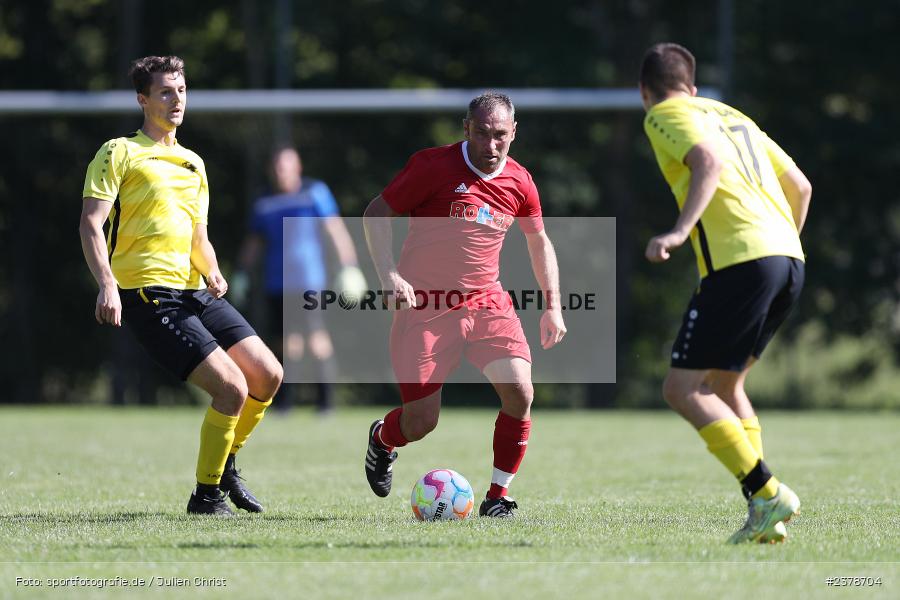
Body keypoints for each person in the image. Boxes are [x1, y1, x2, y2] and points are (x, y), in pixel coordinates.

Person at [79, 55, 283, 516]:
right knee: (231, 388)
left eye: (182, 91)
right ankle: (206, 496)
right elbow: (91, 225)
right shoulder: (120, 152)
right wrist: (107, 284)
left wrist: (212, 270)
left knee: (269, 376)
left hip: (194, 291)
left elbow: (198, 236)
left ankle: (225, 462)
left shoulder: (193, 162)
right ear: (142, 99)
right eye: (166, 92)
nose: (176, 100)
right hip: (149, 295)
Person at [362, 92, 567, 518]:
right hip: (427, 306)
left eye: (500, 137)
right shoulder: (432, 167)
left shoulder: (521, 181)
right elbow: (375, 213)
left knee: (520, 392)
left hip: (488, 301)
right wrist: (389, 276)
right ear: (465, 129)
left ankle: (497, 497)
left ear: (514, 133)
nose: (490, 147)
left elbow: (537, 240)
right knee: (420, 422)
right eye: (481, 135)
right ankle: (383, 439)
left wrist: (553, 305)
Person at [638, 43, 812, 543]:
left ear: (645, 92)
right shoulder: (731, 114)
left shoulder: (663, 113)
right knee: (727, 385)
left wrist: (677, 231)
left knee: (681, 388)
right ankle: (761, 511)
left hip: (742, 263)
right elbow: (800, 187)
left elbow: (707, 162)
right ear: (693, 86)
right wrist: (780, 249)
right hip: (788, 258)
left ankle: (766, 493)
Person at [235, 146, 365, 413]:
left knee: (317, 338)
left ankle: (325, 403)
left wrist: (350, 266)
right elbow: (254, 244)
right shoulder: (264, 203)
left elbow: (335, 230)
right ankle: (284, 404)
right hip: (277, 282)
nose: (280, 172)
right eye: (277, 167)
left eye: (286, 166)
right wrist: (241, 274)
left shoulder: (313, 193)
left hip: (310, 282)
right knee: (285, 344)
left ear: (298, 168)